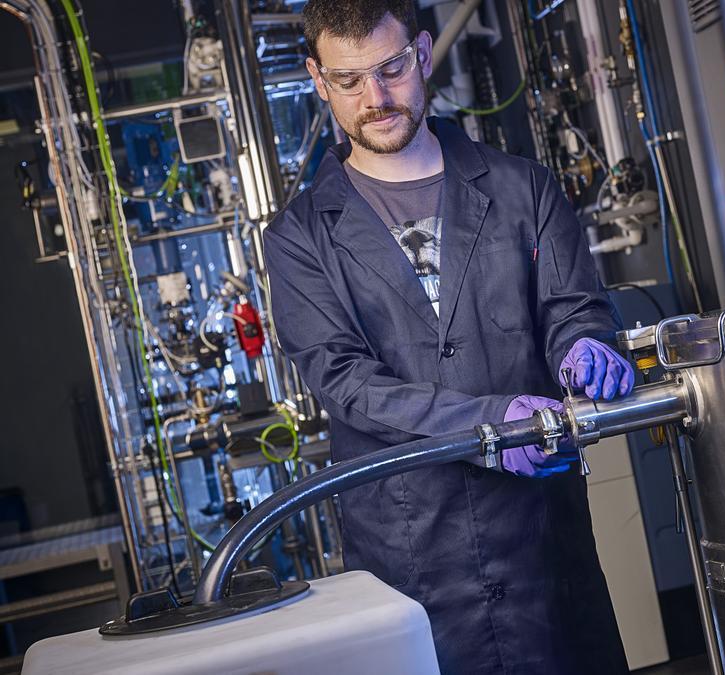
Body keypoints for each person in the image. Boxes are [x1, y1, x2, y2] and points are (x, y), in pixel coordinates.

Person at [262, 1, 636, 672]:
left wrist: (586, 345)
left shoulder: (526, 189)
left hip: (541, 547)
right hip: (412, 565)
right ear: (319, 81)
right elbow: (348, 383)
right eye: (349, 81)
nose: (374, 99)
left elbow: (574, 311)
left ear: (425, 54)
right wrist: (496, 421)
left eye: (392, 68)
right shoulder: (299, 239)